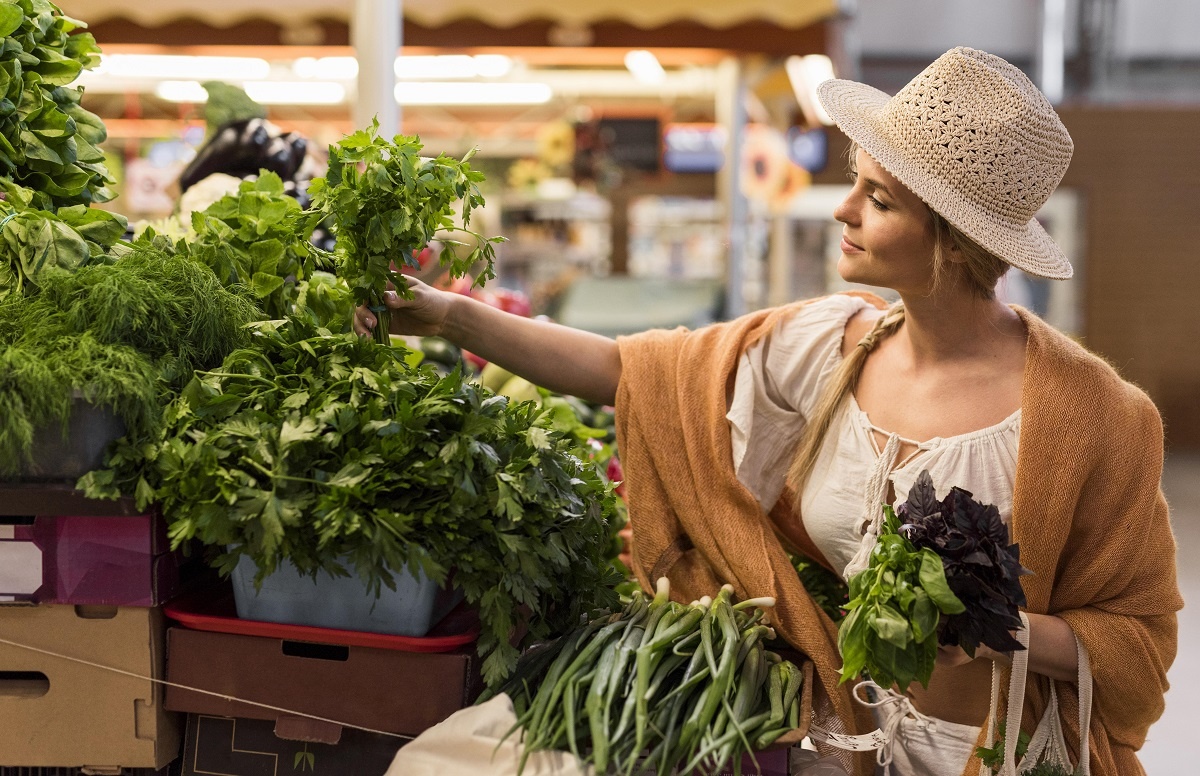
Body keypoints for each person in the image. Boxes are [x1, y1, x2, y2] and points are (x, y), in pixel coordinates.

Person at [356, 47, 1181, 776]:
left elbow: (1137, 642)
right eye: (854, 182)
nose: (842, 209)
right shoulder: (829, 345)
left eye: (879, 198)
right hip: (821, 748)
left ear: (954, 240)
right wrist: (451, 315)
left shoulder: (1094, 417)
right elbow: (629, 370)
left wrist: (998, 627)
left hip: (987, 758)